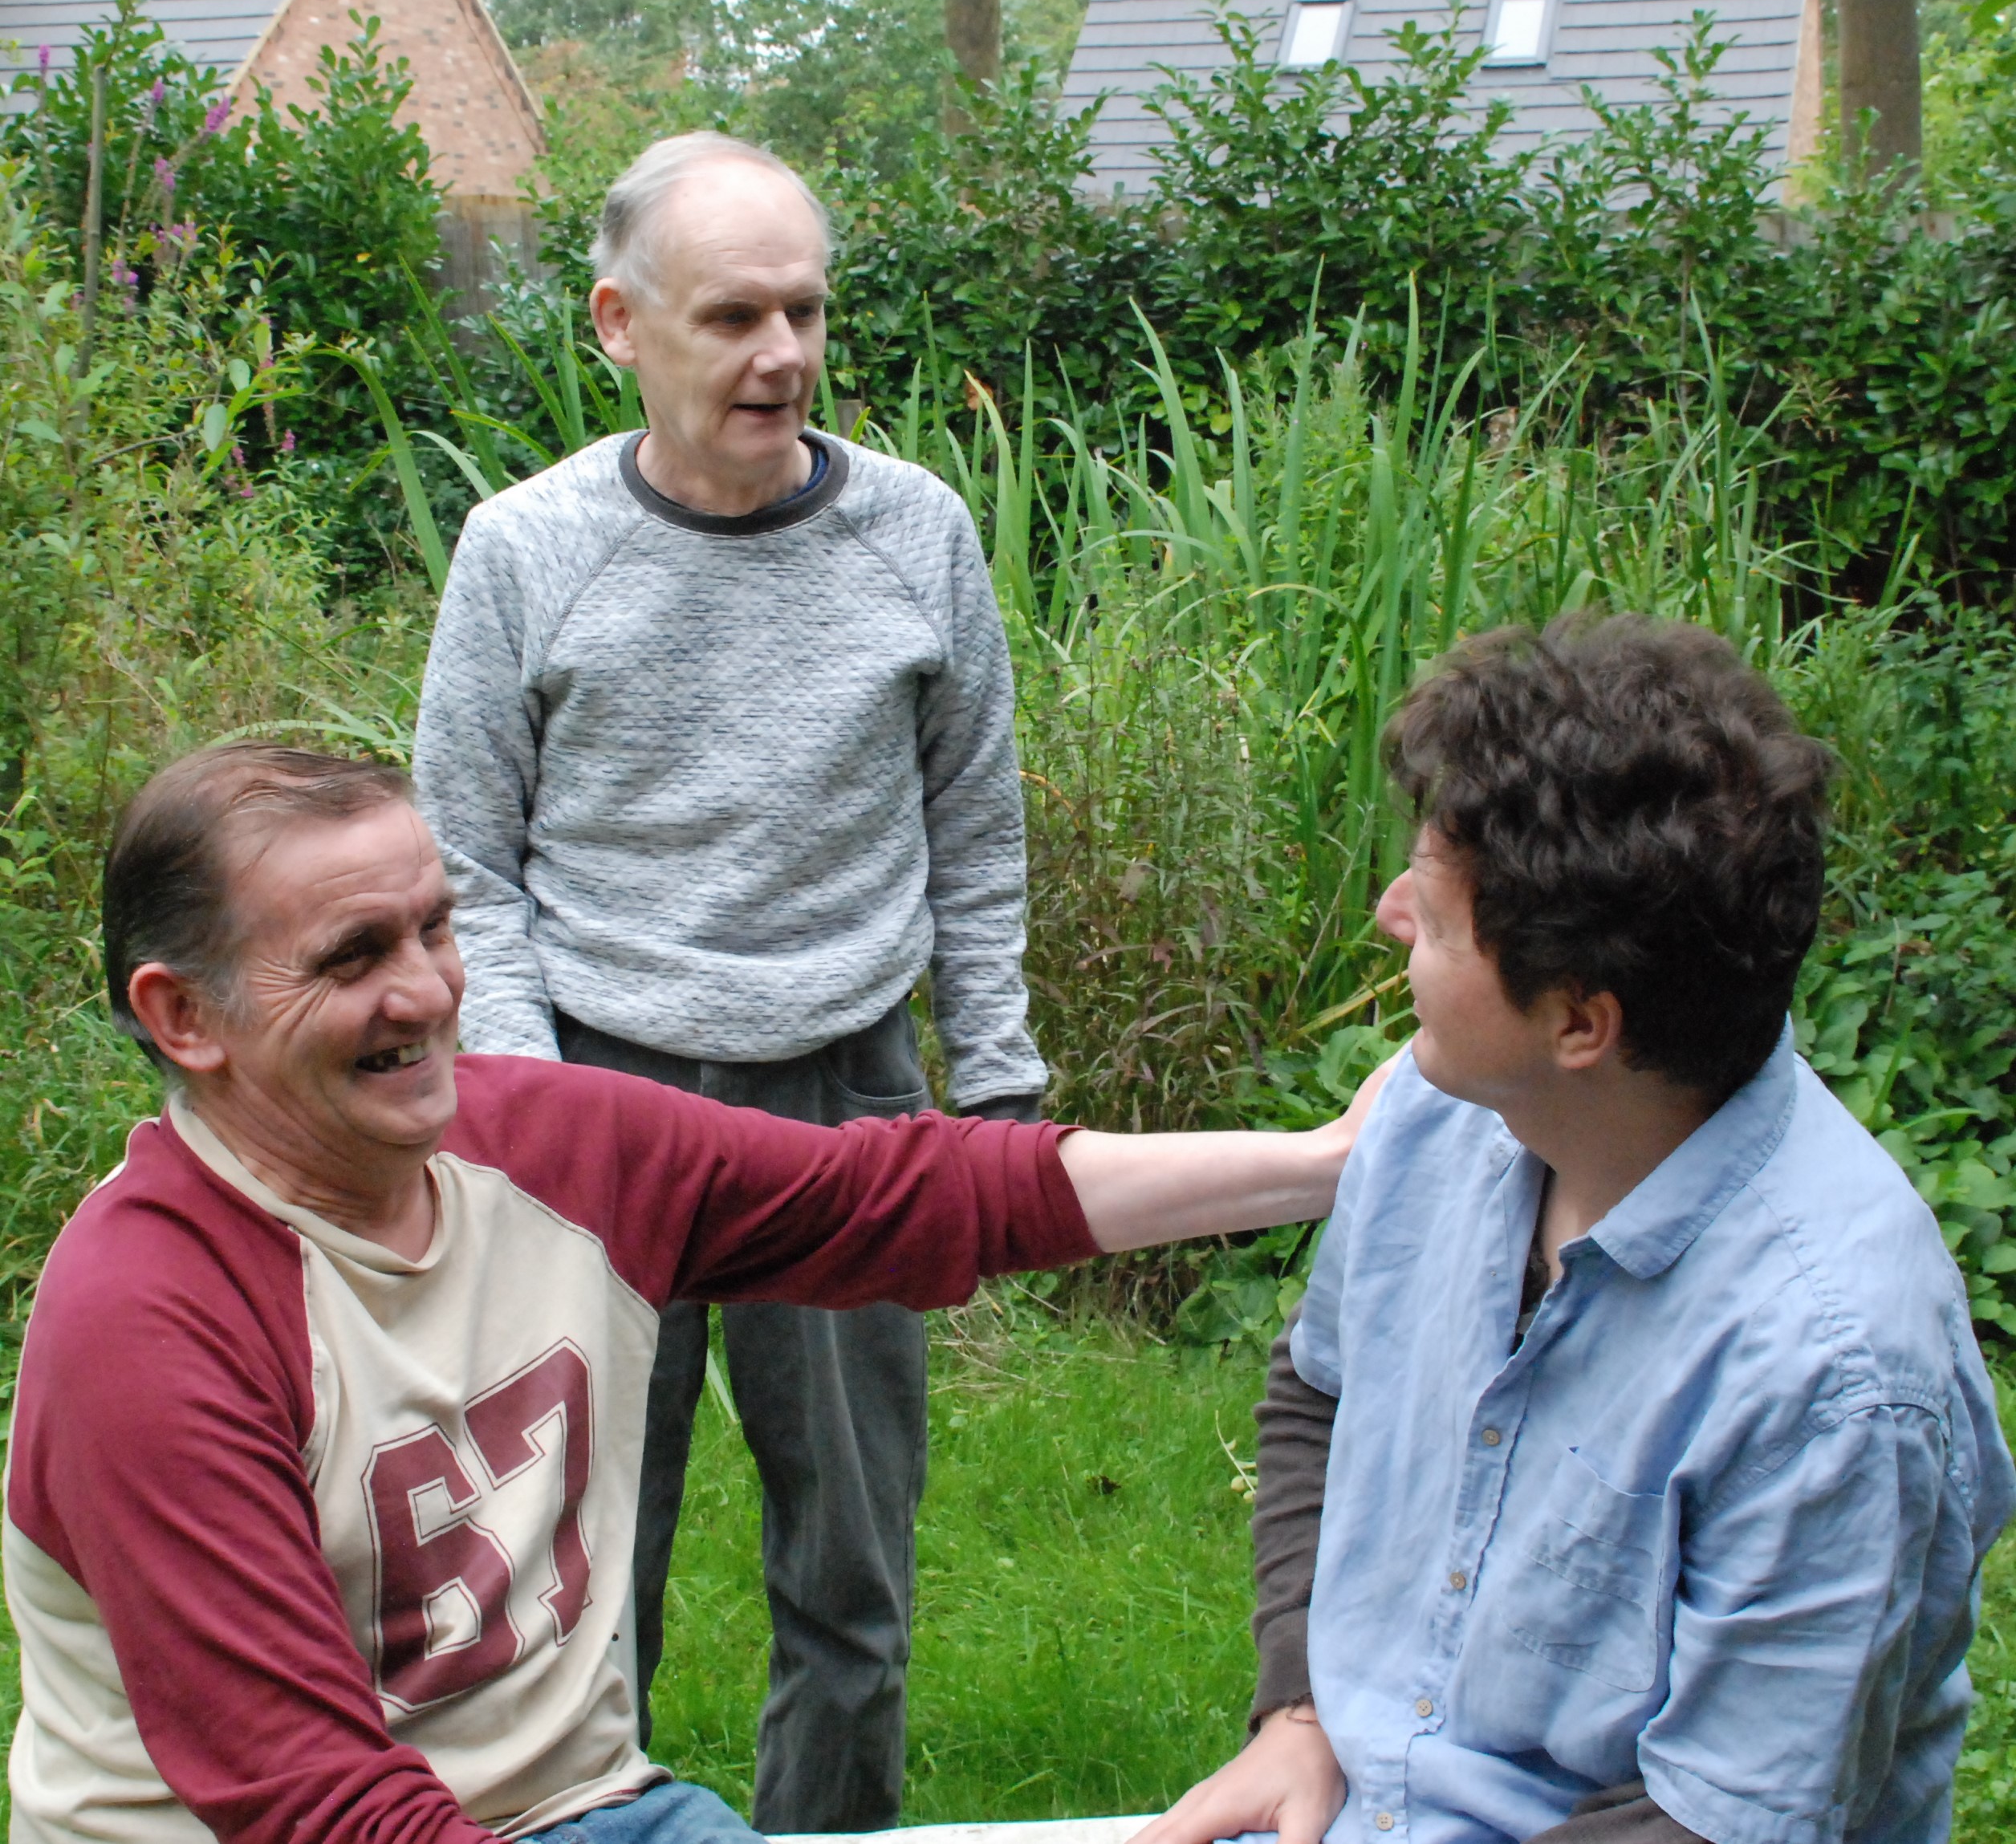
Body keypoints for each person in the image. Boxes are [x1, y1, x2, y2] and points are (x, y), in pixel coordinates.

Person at [4, 741, 1376, 1844]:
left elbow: (913, 1196)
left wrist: (1327, 1165)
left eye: (436, 928)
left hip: (594, 1810)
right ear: (183, 1017)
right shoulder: (149, 1321)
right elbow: (311, 1800)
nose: (427, 993)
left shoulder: (554, 1147)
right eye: (354, 957)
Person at [1139, 615, 2016, 1844]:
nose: (1392, 915)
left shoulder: (1835, 1371)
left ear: (1579, 1023)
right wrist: (1299, 1712)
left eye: (1439, 920)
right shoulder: (1443, 1114)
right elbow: (1315, 1392)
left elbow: (1719, 1824)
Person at [410, 129, 1040, 1830]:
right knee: (575, 1570)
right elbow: (464, 860)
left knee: (849, 1571)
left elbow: (975, 829)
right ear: (619, 321)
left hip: (847, 1101)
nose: (781, 354)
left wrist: (995, 1093)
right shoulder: (524, 550)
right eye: (733, 316)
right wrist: (530, 1104)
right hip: (598, 1100)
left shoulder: (917, 534)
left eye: (806, 312)